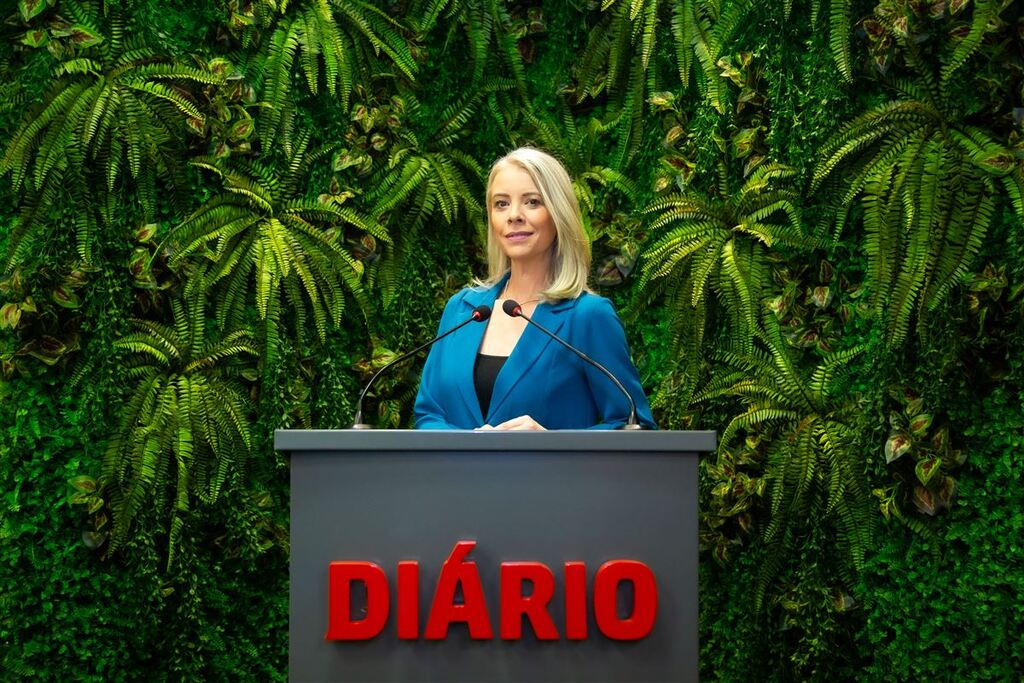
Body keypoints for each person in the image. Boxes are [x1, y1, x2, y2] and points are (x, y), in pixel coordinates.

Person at [414, 147, 656, 430]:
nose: (514, 215)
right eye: (501, 204)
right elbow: (428, 414)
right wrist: (469, 445)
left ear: (558, 212)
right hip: (456, 463)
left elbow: (635, 426)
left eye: (532, 202)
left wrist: (550, 443)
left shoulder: (588, 316)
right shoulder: (463, 310)